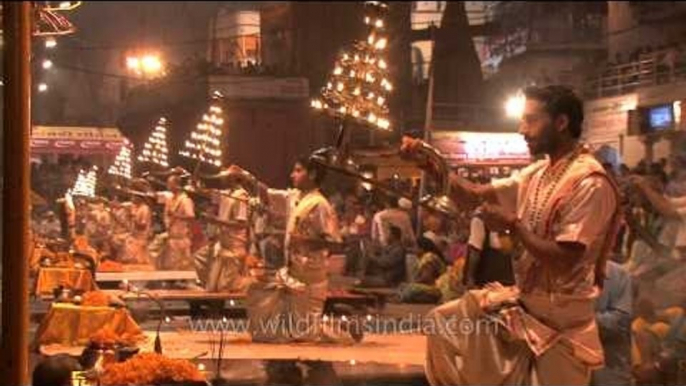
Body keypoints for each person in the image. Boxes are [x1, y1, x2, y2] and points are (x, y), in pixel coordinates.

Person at [402, 85, 620, 385]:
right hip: (524, 309)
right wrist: (432, 164)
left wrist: (514, 226)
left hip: (562, 328)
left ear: (561, 123)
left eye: (531, 120)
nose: (522, 130)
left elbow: (564, 261)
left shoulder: (589, 182)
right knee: (443, 321)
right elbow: (473, 196)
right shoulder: (538, 172)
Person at [227, 156, 356, 343]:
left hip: (309, 278)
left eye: (298, 170)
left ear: (311, 174)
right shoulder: (295, 197)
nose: (292, 174)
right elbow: (267, 194)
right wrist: (245, 176)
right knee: (261, 298)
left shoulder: (320, 204)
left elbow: (335, 243)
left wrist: (306, 242)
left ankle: (342, 333)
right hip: (292, 272)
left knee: (305, 336)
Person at [194, 173, 253, 292]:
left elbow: (242, 224)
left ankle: (254, 285)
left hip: (234, 247)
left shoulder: (241, 196)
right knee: (200, 260)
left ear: (232, 177)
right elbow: (207, 193)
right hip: (222, 245)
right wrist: (197, 185)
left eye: (224, 175)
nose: (221, 178)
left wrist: (215, 221)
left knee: (225, 287)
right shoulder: (226, 193)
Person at [591, 259, 633, 386]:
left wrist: (577, 319)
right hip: (564, 365)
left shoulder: (618, 274)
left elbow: (619, 323)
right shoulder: (552, 271)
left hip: (608, 365)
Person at [150, 173, 196, 270]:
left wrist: (176, 215)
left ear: (177, 185)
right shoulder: (169, 198)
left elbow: (191, 217)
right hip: (170, 236)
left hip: (180, 238)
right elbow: (153, 196)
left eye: (169, 183)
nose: (168, 186)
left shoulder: (185, 200)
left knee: (179, 268)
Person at [463, 211, 515, 289]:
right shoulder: (483, 218)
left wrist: (469, 278)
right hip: (496, 278)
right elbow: (474, 251)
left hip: (497, 280)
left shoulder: (480, 219)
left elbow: (475, 251)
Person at [399, 236, 446, 304]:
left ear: (422, 249)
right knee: (403, 287)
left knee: (410, 289)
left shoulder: (428, 257)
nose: (414, 249)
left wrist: (414, 283)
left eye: (416, 247)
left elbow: (427, 277)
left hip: (437, 287)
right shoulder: (425, 257)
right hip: (434, 286)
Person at [121, 181, 153, 265]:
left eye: (133, 196)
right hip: (132, 239)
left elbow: (142, 226)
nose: (132, 198)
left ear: (139, 197)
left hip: (140, 242)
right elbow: (129, 226)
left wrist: (132, 217)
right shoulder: (134, 208)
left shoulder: (144, 209)